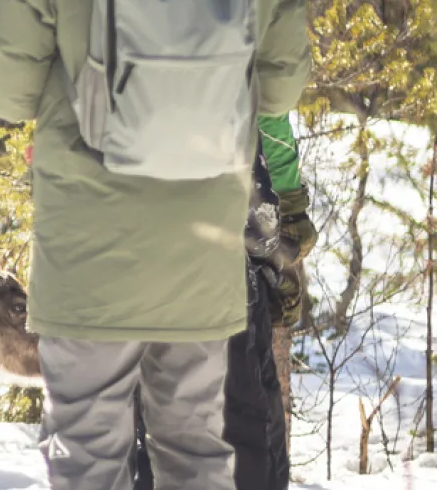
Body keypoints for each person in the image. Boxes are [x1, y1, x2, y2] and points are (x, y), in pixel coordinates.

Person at [0, 0, 310, 490]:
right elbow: (283, 87)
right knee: (196, 452)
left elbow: (3, 91)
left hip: (88, 253)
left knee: (87, 455)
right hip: (202, 252)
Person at [133, 114, 317, 490]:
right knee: (242, 424)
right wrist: (290, 213)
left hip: (138, 250)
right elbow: (272, 100)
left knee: (151, 426)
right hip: (223, 254)